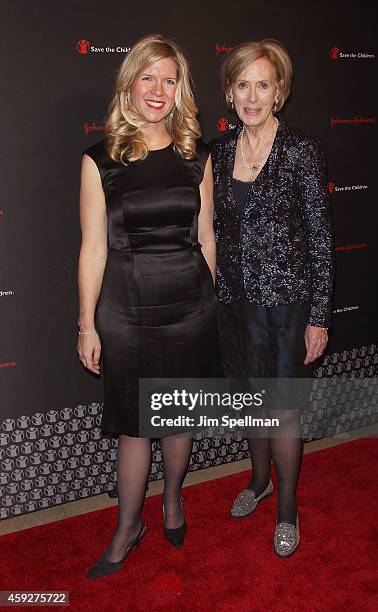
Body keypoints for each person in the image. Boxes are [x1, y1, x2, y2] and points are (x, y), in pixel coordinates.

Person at [77, 34, 220, 579]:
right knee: (136, 426)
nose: (158, 90)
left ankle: (174, 499)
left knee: (179, 415)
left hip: (190, 305)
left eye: (170, 79)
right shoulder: (99, 160)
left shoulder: (196, 156)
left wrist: (212, 300)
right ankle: (126, 528)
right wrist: (86, 324)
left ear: (180, 88)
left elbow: (207, 239)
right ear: (129, 84)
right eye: (148, 77)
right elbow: (92, 248)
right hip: (128, 310)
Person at [211, 39, 334, 557]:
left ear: (279, 91)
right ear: (230, 93)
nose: (253, 96)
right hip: (236, 303)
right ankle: (258, 480)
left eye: (264, 84)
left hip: (288, 305)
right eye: (243, 85)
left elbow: (322, 237)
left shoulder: (301, 150)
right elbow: (212, 231)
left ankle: (287, 509)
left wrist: (319, 316)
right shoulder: (217, 154)